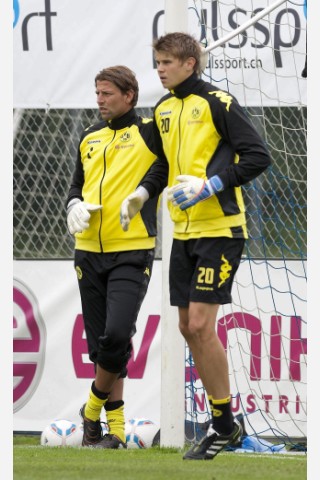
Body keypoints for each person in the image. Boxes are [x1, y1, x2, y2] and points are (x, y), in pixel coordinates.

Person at [120, 32, 271, 460]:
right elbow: (162, 165)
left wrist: (211, 186)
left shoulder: (218, 103)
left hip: (220, 229)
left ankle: (223, 425)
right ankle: (223, 424)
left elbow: (258, 156)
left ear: (190, 63)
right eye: (157, 62)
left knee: (202, 325)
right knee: (188, 328)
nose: (161, 69)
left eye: (168, 61)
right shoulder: (164, 108)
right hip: (182, 235)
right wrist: (143, 195)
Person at [66, 65, 164, 449]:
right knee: (102, 346)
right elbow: (78, 184)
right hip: (87, 252)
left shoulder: (148, 131)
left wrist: (142, 194)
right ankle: (115, 433)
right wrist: (72, 203)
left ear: (129, 95)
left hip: (132, 248)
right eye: (97, 94)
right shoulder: (89, 137)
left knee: (118, 335)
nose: (100, 100)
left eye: (107, 93)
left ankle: (91, 411)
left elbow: (164, 167)